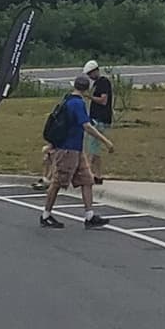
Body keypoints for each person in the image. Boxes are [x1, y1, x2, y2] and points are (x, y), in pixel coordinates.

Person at [39, 74, 112, 229]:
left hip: (76, 150)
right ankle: (46, 215)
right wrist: (105, 141)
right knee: (57, 182)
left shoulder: (68, 100)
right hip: (68, 149)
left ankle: (89, 216)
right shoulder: (77, 104)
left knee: (87, 180)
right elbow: (86, 125)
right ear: (86, 89)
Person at [84, 58, 113, 184]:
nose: (90, 76)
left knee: (92, 148)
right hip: (95, 117)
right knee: (95, 148)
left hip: (100, 119)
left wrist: (89, 97)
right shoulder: (97, 83)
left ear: (96, 71)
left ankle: (88, 174)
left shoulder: (103, 82)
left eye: (91, 73)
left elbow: (103, 100)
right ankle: (98, 175)